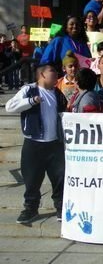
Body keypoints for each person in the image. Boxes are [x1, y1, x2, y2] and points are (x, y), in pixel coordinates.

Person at [6, 64, 68, 223]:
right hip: (34, 144)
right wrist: (31, 101)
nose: (56, 73)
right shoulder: (29, 90)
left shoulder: (58, 93)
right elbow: (9, 107)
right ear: (42, 74)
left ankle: (61, 208)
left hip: (55, 144)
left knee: (59, 178)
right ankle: (30, 209)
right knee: (32, 180)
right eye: (52, 71)